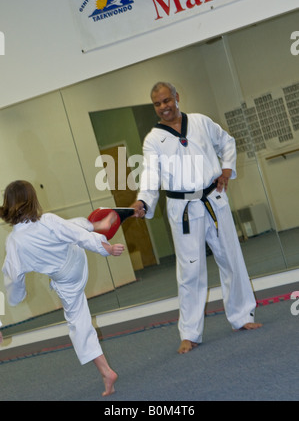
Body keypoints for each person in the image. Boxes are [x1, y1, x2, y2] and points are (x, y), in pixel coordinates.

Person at [132, 82, 262, 354]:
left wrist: (226, 170)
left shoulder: (201, 122)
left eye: (167, 100)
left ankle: (242, 317)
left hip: (213, 200)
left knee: (231, 258)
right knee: (190, 271)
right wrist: (144, 200)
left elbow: (227, 142)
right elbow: (151, 174)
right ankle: (190, 333)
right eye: (157, 103)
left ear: (177, 98)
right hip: (184, 210)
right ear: (154, 107)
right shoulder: (153, 140)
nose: (164, 106)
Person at [0, 180, 125, 396]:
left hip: (65, 279)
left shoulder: (14, 242)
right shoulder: (47, 220)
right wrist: (105, 247)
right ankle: (92, 224)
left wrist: (17, 297)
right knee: (70, 227)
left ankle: (106, 372)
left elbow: (12, 277)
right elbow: (78, 237)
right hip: (75, 258)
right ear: (33, 201)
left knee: (78, 322)